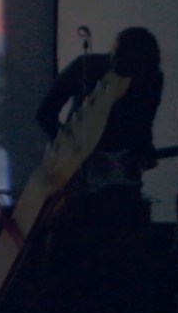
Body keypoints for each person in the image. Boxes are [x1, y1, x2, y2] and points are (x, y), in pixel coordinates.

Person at [35, 26, 163, 192]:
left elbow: (144, 124)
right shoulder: (85, 67)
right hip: (81, 175)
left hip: (120, 175)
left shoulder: (152, 78)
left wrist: (144, 151)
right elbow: (45, 114)